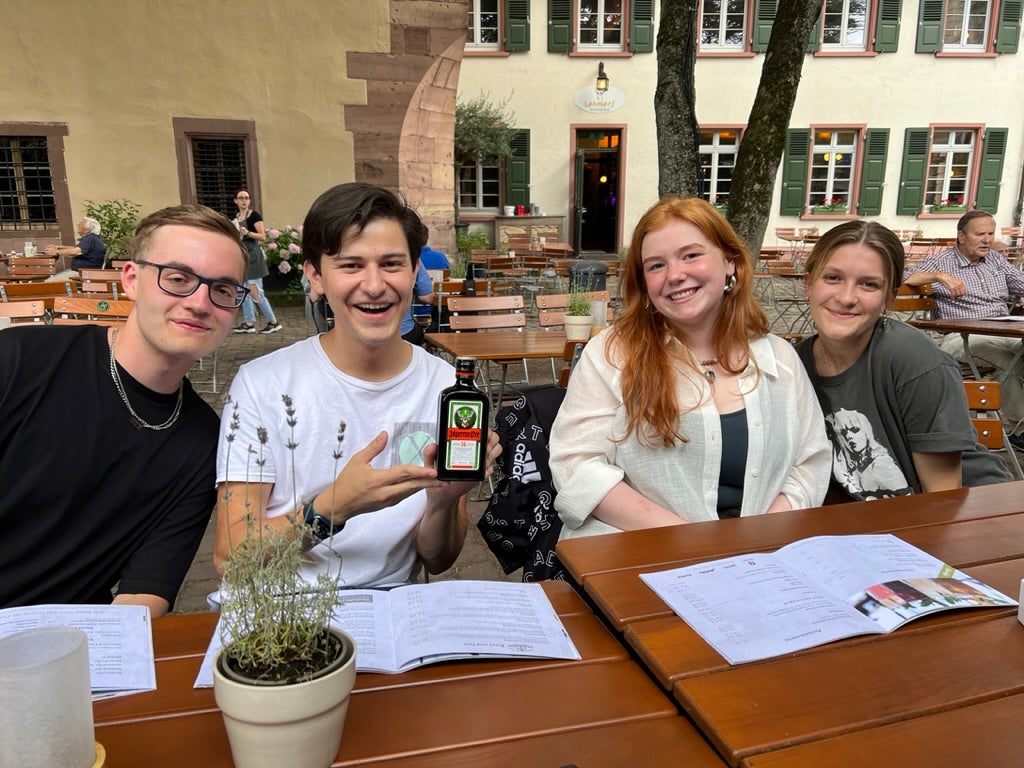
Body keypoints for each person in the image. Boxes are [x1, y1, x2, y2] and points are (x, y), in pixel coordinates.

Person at [213, 182, 500, 589]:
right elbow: (231, 559)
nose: (374, 285)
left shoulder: (446, 387)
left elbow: (437, 559)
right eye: (350, 265)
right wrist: (335, 507)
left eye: (391, 264)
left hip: (393, 615)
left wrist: (444, 499)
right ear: (315, 276)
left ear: (415, 270)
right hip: (281, 620)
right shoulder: (262, 384)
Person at [0, 204, 249, 614]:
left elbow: (145, 593)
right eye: (178, 279)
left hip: (72, 649)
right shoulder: (19, 362)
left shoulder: (204, 442)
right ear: (131, 279)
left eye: (222, 290)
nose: (200, 303)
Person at [548, 197, 830, 539]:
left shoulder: (779, 358)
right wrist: (693, 543)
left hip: (761, 557)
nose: (675, 275)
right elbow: (576, 466)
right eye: (655, 266)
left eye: (691, 255)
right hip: (639, 553)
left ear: (731, 263)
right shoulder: (611, 354)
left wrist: (760, 539)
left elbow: (810, 463)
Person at [795, 220, 1012, 501]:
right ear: (808, 284)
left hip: (974, 514)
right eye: (833, 278)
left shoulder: (912, 359)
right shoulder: (794, 366)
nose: (846, 297)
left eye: (869, 284)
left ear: (889, 297)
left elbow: (942, 498)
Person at [903, 210, 1024, 445]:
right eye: (980, 234)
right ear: (961, 236)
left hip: (1003, 329)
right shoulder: (944, 261)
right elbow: (902, 277)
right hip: (962, 337)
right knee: (1009, 358)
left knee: (1017, 353)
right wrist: (938, 276)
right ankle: (1020, 430)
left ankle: (1014, 428)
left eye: (990, 233)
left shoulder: (996, 260)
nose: (987, 239)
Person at [231, 188, 283, 335]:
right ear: (235, 201)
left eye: (246, 198)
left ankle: (273, 322)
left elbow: (262, 236)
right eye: (241, 198)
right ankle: (249, 323)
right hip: (243, 257)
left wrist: (248, 233)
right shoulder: (236, 217)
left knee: (256, 292)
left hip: (253, 257)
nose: (244, 201)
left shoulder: (254, 216)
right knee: (243, 291)